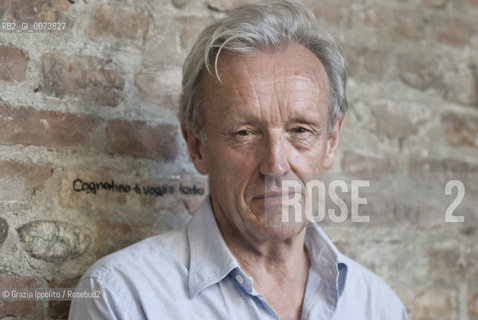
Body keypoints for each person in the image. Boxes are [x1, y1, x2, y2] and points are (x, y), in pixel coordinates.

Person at [69, 1, 408, 319]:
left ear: (331, 141)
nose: (276, 165)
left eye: (301, 130)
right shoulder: (124, 297)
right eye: (244, 133)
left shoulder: (377, 306)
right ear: (197, 147)